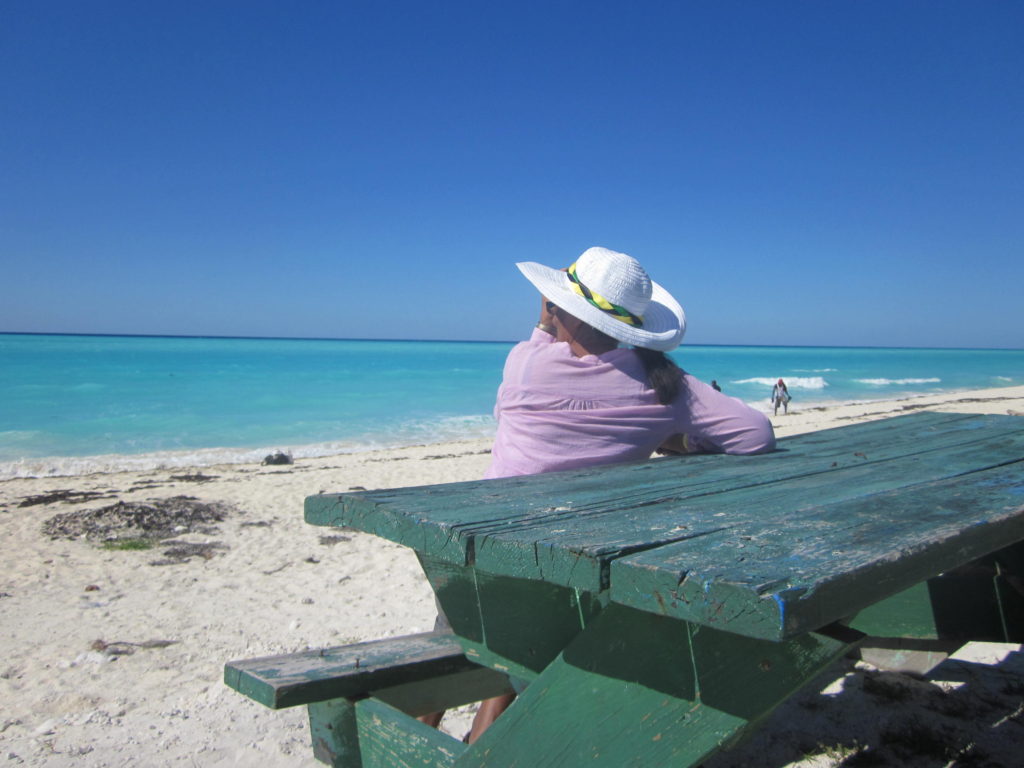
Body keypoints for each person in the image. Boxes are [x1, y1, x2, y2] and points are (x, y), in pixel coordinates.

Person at [451, 246, 775, 740]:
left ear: (564, 312)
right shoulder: (666, 388)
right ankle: (491, 711)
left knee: (461, 612)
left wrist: (545, 320)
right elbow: (756, 434)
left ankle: (453, 717)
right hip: (576, 578)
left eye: (556, 305)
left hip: (492, 567)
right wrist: (679, 438)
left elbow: (514, 403)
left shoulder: (526, 364)